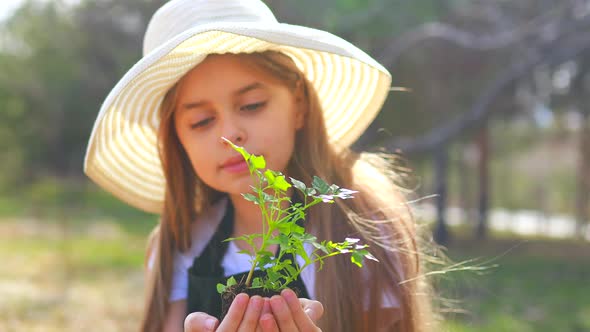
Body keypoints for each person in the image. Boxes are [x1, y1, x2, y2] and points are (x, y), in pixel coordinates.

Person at [84, 0, 436, 331]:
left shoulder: (361, 224)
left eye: (251, 105)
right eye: (202, 121)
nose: (230, 134)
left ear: (298, 105)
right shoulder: (183, 245)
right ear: (177, 140)